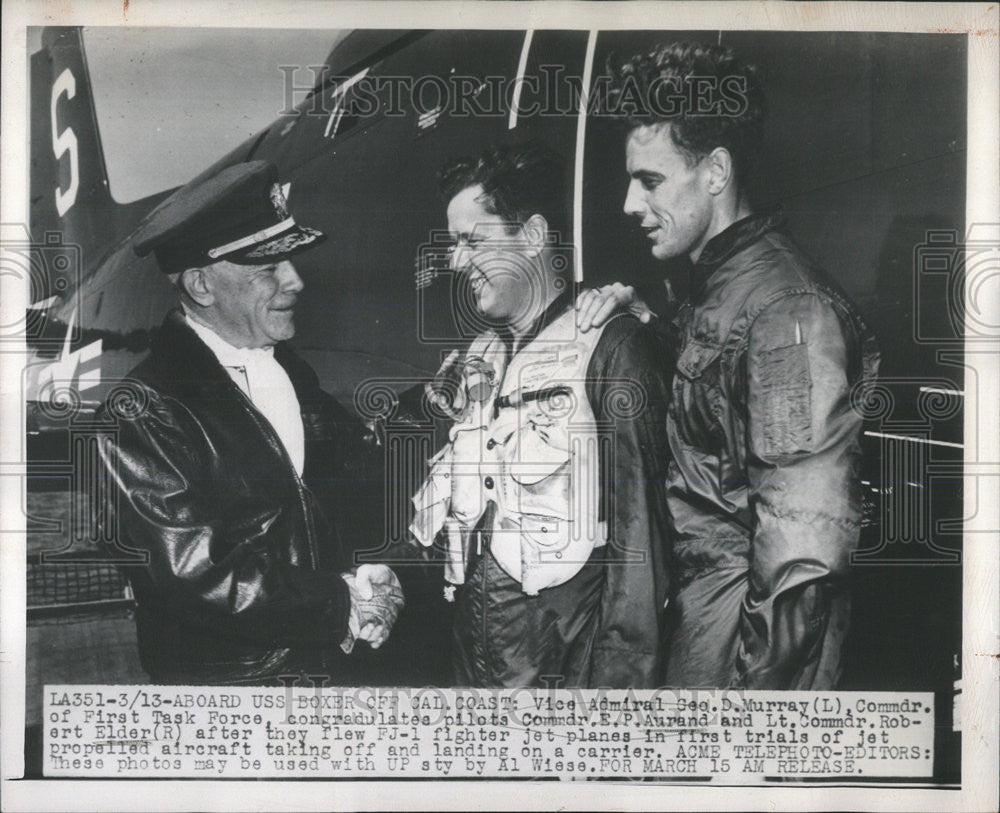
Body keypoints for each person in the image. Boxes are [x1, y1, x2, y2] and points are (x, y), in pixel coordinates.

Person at [576, 42, 880, 689]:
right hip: (708, 627)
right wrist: (649, 328)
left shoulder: (789, 311)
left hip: (740, 659)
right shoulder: (722, 290)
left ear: (715, 171)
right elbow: (715, 406)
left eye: (650, 180)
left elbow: (803, 557)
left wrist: (742, 719)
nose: (629, 203)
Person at [96, 161, 403, 684]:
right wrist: (339, 604)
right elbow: (193, 570)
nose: (297, 281)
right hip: (238, 694)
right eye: (268, 268)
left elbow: (352, 489)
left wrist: (380, 572)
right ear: (201, 285)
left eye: (292, 261)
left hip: (332, 675)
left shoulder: (290, 373)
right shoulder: (143, 410)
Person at [409, 141, 671, 688]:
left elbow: (641, 559)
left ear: (530, 237)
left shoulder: (611, 347)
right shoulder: (481, 358)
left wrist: (614, 710)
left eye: (471, 241)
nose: (456, 262)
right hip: (473, 679)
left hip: (562, 694)